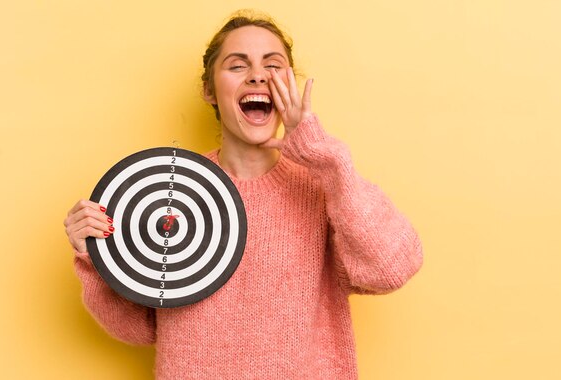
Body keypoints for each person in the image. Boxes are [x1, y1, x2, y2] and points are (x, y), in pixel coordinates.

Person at [64, 10, 423, 379]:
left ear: (290, 85)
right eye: (237, 65)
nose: (257, 75)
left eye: (273, 65)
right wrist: (95, 257)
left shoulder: (325, 188)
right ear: (209, 90)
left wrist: (329, 162)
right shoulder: (167, 191)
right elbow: (139, 329)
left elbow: (389, 269)